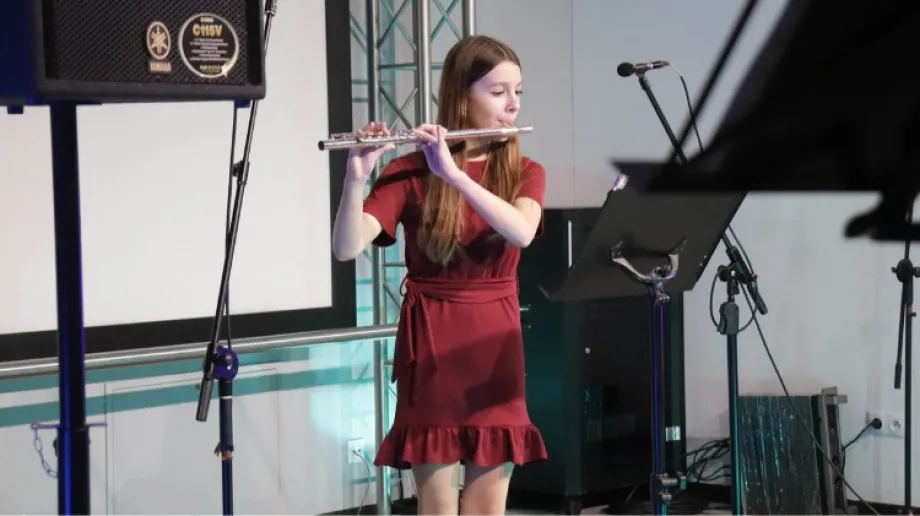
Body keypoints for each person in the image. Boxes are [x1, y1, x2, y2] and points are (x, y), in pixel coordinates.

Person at [331, 34, 547, 515]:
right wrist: (355, 178)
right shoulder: (410, 171)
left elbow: (520, 231)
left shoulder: (526, 171)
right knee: (437, 510)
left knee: (487, 509)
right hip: (432, 348)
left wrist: (455, 175)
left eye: (518, 91)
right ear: (461, 100)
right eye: (498, 92)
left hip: (495, 347)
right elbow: (346, 248)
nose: (513, 104)